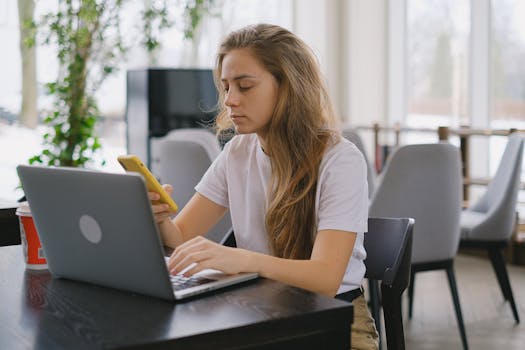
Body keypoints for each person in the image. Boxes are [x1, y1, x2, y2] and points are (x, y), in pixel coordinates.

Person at [149, 23, 379, 349]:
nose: (230, 100)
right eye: (226, 87)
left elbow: (326, 279)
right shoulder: (238, 153)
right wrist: (159, 217)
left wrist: (241, 260)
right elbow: (180, 237)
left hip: (337, 320)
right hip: (261, 309)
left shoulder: (340, 159)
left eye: (244, 86)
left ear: (288, 87)